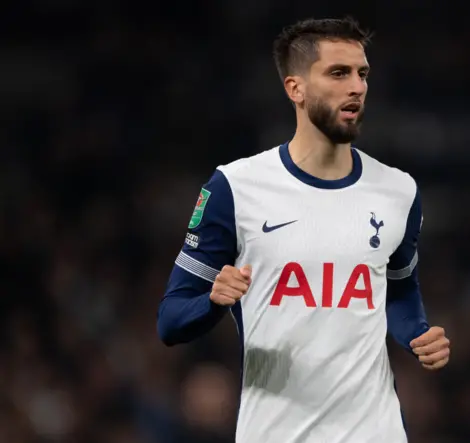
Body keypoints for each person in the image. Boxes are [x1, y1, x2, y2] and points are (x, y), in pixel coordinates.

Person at [157, 16, 450, 443]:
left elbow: (400, 291)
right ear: (295, 88)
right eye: (338, 73)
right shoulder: (236, 188)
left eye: (362, 73)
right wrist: (213, 303)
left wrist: (417, 335)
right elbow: (170, 320)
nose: (357, 86)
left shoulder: (399, 191)